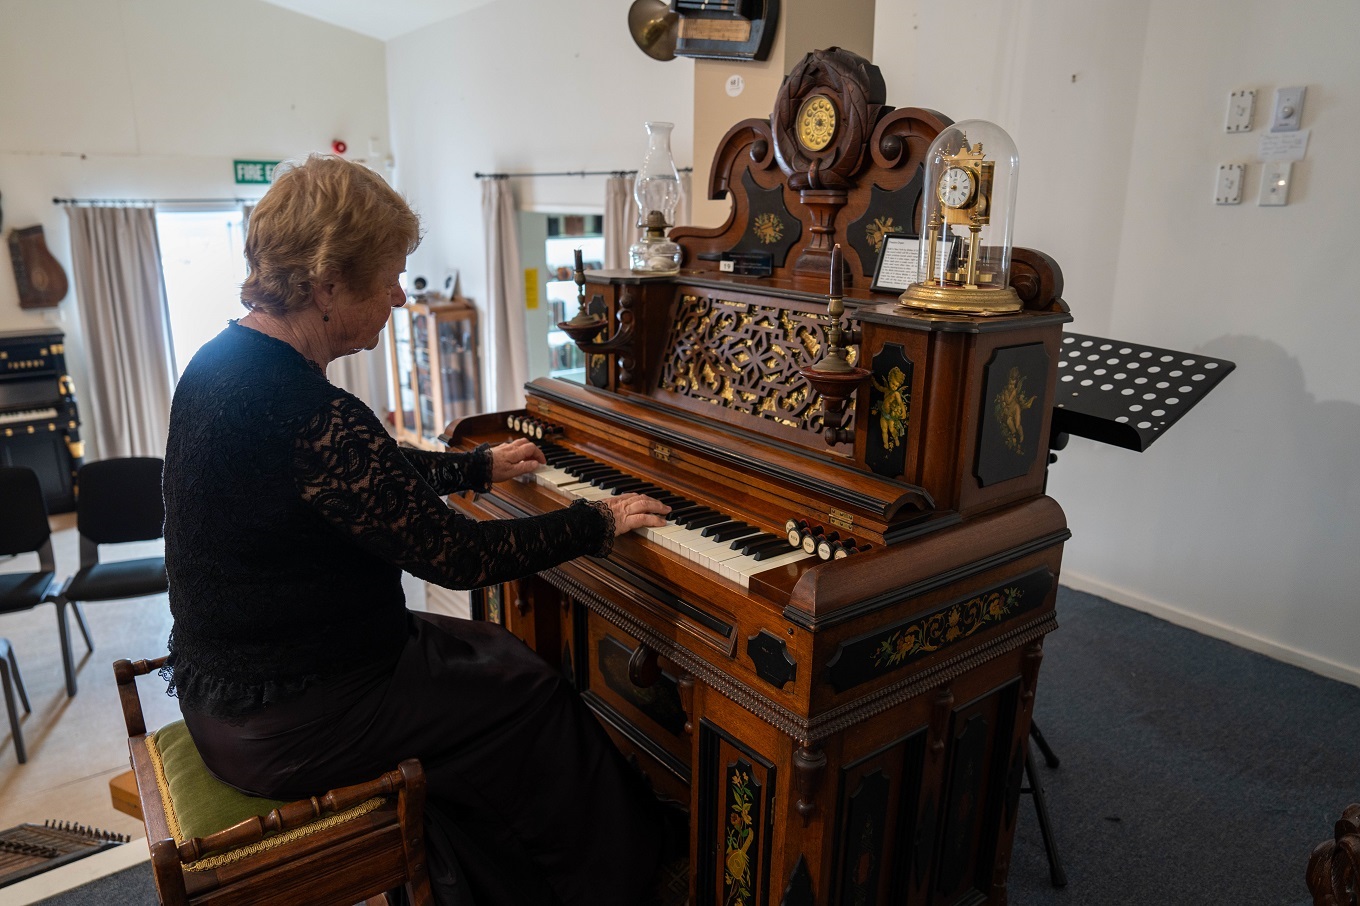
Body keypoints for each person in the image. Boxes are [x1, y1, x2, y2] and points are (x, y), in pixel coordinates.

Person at [161, 153, 676, 906]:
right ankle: (612, 877)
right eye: (391, 276)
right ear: (329, 283)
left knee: (498, 652)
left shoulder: (221, 363)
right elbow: (457, 558)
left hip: (238, 694)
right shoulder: (312, 413)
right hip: (292, 723)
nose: (402, 296)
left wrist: (474, 469)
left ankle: (490, 868)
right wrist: (594, 520)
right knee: (534, 695)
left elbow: (356, 476)